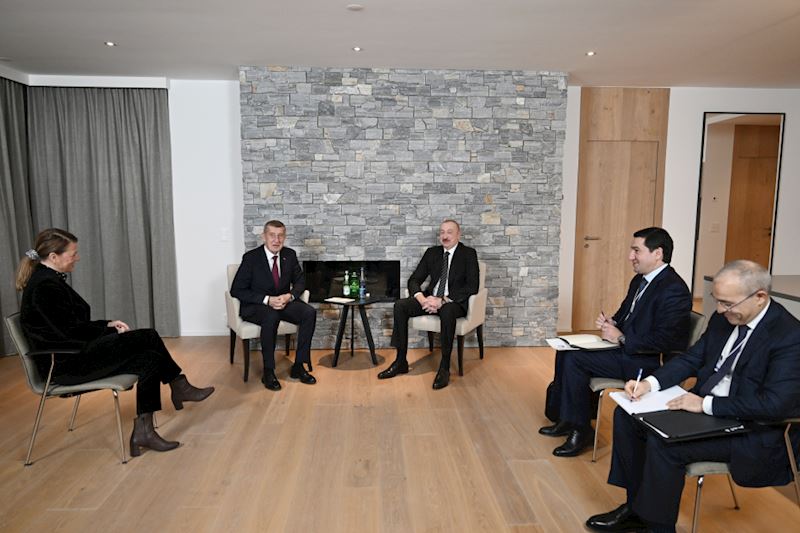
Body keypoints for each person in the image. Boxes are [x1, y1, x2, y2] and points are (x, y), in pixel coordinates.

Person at [586, 260, 800, 533]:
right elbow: (692, 359)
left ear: (759, 297)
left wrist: (705, 404)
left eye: (727, 303)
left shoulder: (790, 336)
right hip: (704, 408)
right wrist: (650, 384)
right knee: (627, 415)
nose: (719, 310)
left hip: (750, 427)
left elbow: (775, 405)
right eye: (717, 300)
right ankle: (635, 507)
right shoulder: (725, 319)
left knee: (664, 443)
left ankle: (657, 526)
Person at [16, 228, 214, 457]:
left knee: (150, 358)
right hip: (65, 364)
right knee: (148, 337)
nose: (77, 258)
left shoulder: (47, 279)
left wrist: (107, 325)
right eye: (73, 253)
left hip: (74, 354)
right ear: (53, 257)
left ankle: (146, 430)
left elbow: (70, 326)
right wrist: (107, 330)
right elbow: (68, 333)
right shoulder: (44, 287)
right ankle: (178, 386)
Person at [540, 227, 692, 457]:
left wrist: (621, 337)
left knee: (575, 360)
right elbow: (624, 315)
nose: (631, 256)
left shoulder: (674, 289)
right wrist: (612, 322)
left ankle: (581, 430)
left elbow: (667, 340)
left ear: (658, 253)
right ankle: (567, 419)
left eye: (636, 251)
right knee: (566, 351)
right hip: (628, 351)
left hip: (647, 362)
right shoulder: (640, 280)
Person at [377, 219, 479, 390]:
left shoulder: (468, 254)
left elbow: (472, 286)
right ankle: (400, 361)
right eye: (442, 232)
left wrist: (443, 300)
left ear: (458, 235)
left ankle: (444, 368)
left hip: (453, 302)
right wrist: (422, 300)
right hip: (429, 299)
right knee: (400, 306)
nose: (445, 236)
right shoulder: (432, 253)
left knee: (447, 311)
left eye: (449, 232)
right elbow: (414, 280)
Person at [230, 220, 317, 390]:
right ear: (264, 236)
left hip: (283, 302)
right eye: (272, 235)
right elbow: (237, 290)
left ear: (285, 237)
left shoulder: (289, 255)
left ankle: (299, 365)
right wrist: (267, 300)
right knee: (271, 316)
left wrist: (289, 296)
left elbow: (300, 282)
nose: (276, 240)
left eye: (280, 236)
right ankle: (268, 371)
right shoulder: (251, 258)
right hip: (258, 305)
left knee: (309, 312)